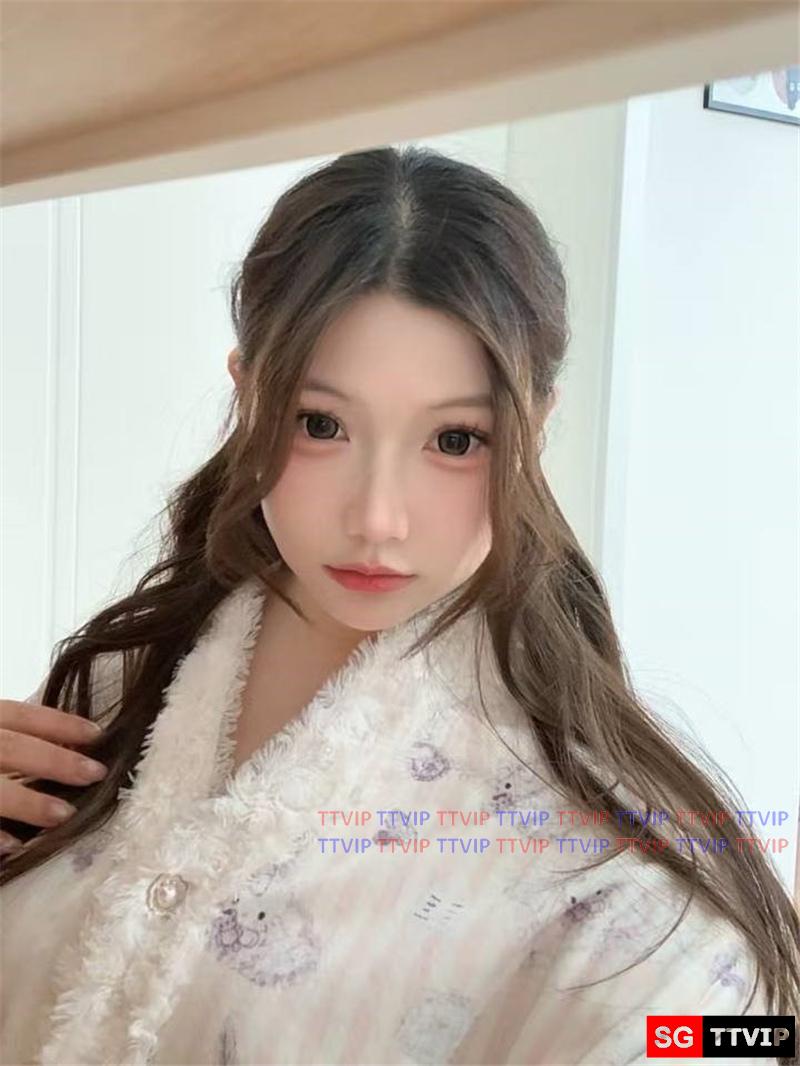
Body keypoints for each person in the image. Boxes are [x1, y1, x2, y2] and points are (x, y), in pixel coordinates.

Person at [0, 145, 797, 1066]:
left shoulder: (609, 886)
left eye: (455, 439)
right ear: (247, 394)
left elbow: (727, 1033)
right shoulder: (117, 686)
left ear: (535, 429)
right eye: (321, 424)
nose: (378, 518)